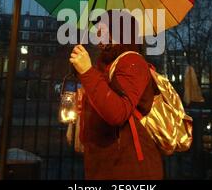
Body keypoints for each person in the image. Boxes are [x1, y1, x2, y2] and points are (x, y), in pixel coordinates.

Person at [69, 10, 163, 180]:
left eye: (105, 29)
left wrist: (87, 72)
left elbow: (117, 113)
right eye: (98, 30)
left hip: (129, 170)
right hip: (103, 166)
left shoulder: (132, 62)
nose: (98, 35)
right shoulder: (104, 66)